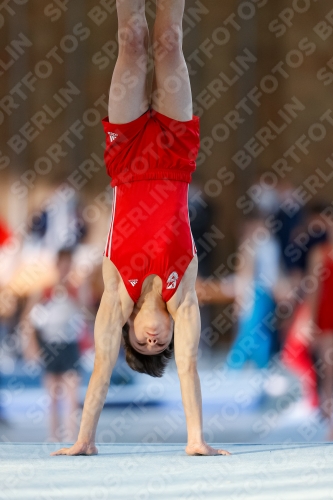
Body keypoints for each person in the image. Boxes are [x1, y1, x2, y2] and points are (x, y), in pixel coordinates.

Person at [51, 0, 230, 457]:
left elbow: (100, 370)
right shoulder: (183, 296)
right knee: (168, 44)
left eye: (142, 345)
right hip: (175, 157)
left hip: (127, 159)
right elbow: (188, 364)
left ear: (127, 329)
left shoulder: (117, 296)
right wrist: (195, 440)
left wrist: (84, 440)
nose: (154, 341)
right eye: (161, 344)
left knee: (131, 45)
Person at [23, 248, 82, 441]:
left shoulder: (77, 289)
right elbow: (28, 320)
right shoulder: (45, 290)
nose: (66, 269)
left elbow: (88, 315)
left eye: (69, 266)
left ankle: (71, 437)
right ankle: (53, 437)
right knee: (53, 394)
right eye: (63, 265)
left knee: (72, 391)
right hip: (49, 343)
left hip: (70, 344)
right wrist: (31, 346)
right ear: (57, 266)